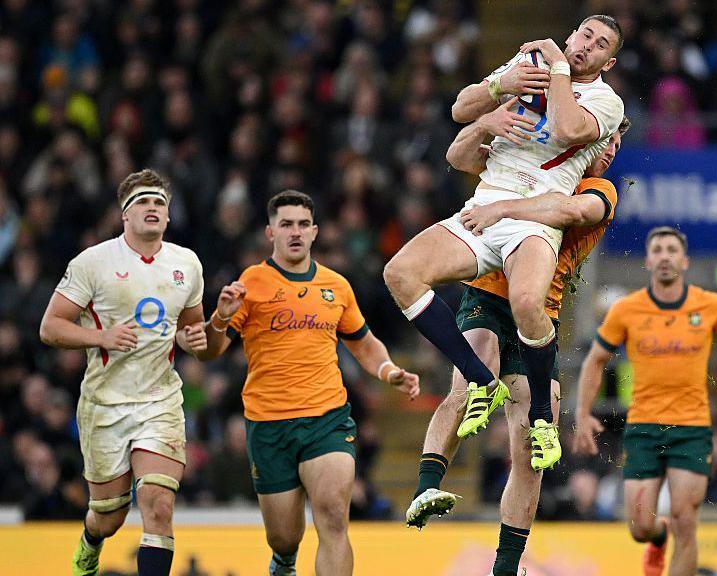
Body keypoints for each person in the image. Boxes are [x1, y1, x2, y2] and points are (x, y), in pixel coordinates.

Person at [382, 15, 625, 471]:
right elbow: (460, 108)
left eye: (600, 45)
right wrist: (498, 94)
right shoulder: (529, 61)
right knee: (399, 273)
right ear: (573, 34)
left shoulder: (605, 100)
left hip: (535, 214)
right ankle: (479, 380)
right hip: (486, 201)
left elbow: (570, 130)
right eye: (585, 35)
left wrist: (557, 67)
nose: (588, 46)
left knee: (528, 306)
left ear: (607, 62)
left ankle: (540, 418)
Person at [405, 109, 630, 576]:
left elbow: (566, 211)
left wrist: (503, 209)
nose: (610, 152)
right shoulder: (533, 160)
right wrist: (488, 122)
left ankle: (506, 566)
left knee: (527, 447)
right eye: (605, 142)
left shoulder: (599, 191)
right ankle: (427, 485)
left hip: (538, 312)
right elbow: (461, 157)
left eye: (616, 146)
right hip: (488, 295)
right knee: (466, 384)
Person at [197, 190, 420, 576]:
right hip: (269, 425)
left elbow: (363, 343)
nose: (295, 232)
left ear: (315, 232)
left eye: (303, 224)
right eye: (286, 224)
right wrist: (219, 317)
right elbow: (209, 352)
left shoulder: (336, 286)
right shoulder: (252, 283)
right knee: (284, 536)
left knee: (334, 515)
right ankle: (283, 561)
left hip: (326, 419)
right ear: (271, 233)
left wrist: (388, 371)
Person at [39, 169, 208, 576]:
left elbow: (189, 330)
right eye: (143, 203)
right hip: (104, 405)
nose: (152, 208)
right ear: (125, 216)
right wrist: (102, 337)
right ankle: (91, 541)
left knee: (158, 504)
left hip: (160, 400)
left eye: (159, 203)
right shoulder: (93, 262)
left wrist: (194, 341)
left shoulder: (186, 263)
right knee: (109, 517)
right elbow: (50, 327)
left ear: (167, 217)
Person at [574, 227, 717, 576]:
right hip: (644, 428)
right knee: (639, 527)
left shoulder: (710, 305)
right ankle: (658, 539)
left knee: (685, 519)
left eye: (671, 249)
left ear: (684, 260)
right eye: (657, 249)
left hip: (692, 429)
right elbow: (595, 360)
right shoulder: (628, 310)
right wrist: (583, 415)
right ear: (647, 260)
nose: (664, 256)